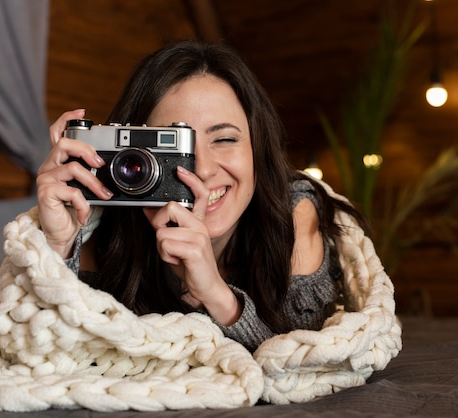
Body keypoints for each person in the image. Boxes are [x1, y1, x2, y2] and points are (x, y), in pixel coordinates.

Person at [36, 40, 369, 352]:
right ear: (129, 152)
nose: (204, 170)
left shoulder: (293, 214)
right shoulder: (102, 223)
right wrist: (58, 248)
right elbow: (45, 350)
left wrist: (215, 295)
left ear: (257, 148)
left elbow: (305, 361)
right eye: (174, 146)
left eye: (224, 139)